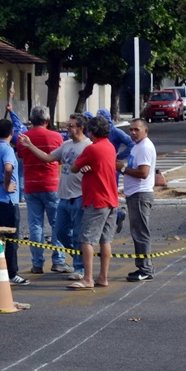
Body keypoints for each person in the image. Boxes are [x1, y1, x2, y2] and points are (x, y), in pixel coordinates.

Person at [21, 113, 86, 280]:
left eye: (71, 126)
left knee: (75, 232)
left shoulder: (88, 146)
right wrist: (30, 145)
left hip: (78, 196)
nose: (67, 128)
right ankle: (74, 257)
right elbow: (48, 158)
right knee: (61, 231)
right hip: (60, 195)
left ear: (80, 128)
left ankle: (79, 266)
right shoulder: (64, 144)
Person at [67, 114, 119, 290]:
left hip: (96, 199)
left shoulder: (92, 149)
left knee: (86, 239)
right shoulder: (110, 147)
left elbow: (74, 168)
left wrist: (83, 166)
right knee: (106, 240)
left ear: (91, 131)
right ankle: (103, 277)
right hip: (111, 198)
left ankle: (88, 278)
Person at [16, 105, 67, 275]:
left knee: (35, 225)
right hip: (51, 184)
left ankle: (37, 263)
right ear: (47, 120)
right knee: (56, 224)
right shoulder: (56, 137)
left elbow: (21, 157)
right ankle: (58, 261)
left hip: (31, 185)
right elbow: (60, 160)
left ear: (31, 120)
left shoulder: (22, 138)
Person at [0, 119, 25, 285]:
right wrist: (7, 184)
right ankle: (11, 273)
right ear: (11, 133)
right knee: (11, 239)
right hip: (7, 200)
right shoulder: (7, 150)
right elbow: (8, 168)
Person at [121, 119, 157, 282]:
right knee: (137, 232)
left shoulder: (144, 147)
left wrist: (121, 168)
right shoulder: (137, 146)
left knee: (141, 232)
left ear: (145, 131)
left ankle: (146, 269)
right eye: (131, 130)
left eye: (137, 129)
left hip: (140, 194)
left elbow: (143, 173)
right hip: (134, 194)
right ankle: (142, 266)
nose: (133, 133)